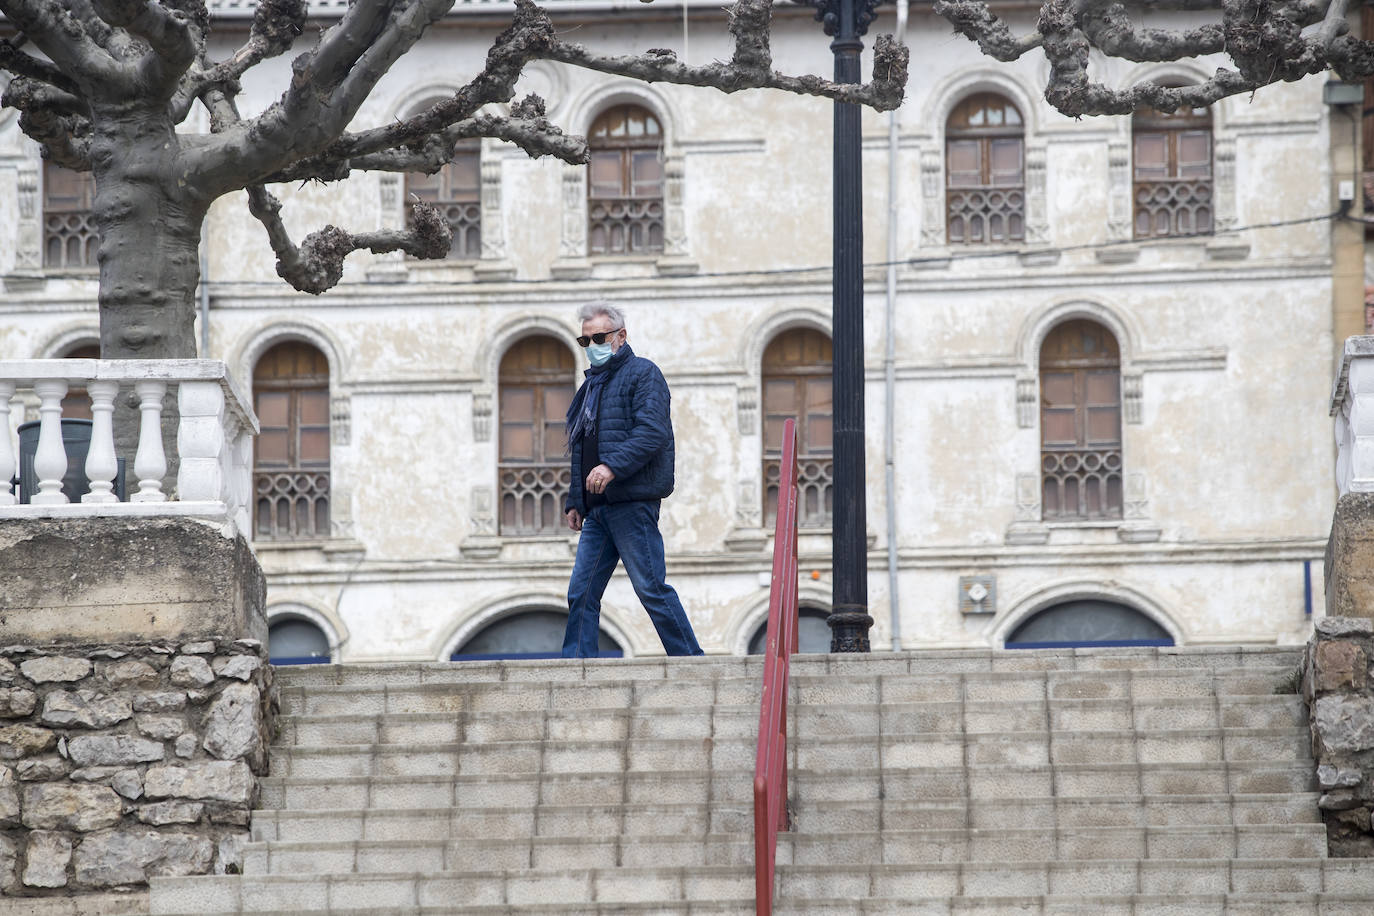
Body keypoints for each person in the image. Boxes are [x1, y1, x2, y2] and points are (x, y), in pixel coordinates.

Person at [561, 302, 704, 657]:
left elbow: (652, 432)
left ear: (621, 336)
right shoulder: (591, 387)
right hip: (597, 511)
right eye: (585, 340)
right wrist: (575, 500)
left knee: (650, 588)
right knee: (581, 591)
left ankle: (690, 660)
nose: (591, 345)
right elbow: (582, 448)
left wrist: (611, 467)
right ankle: (577, 667)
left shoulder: (643, 373)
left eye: (598, 337)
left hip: (631, 504)